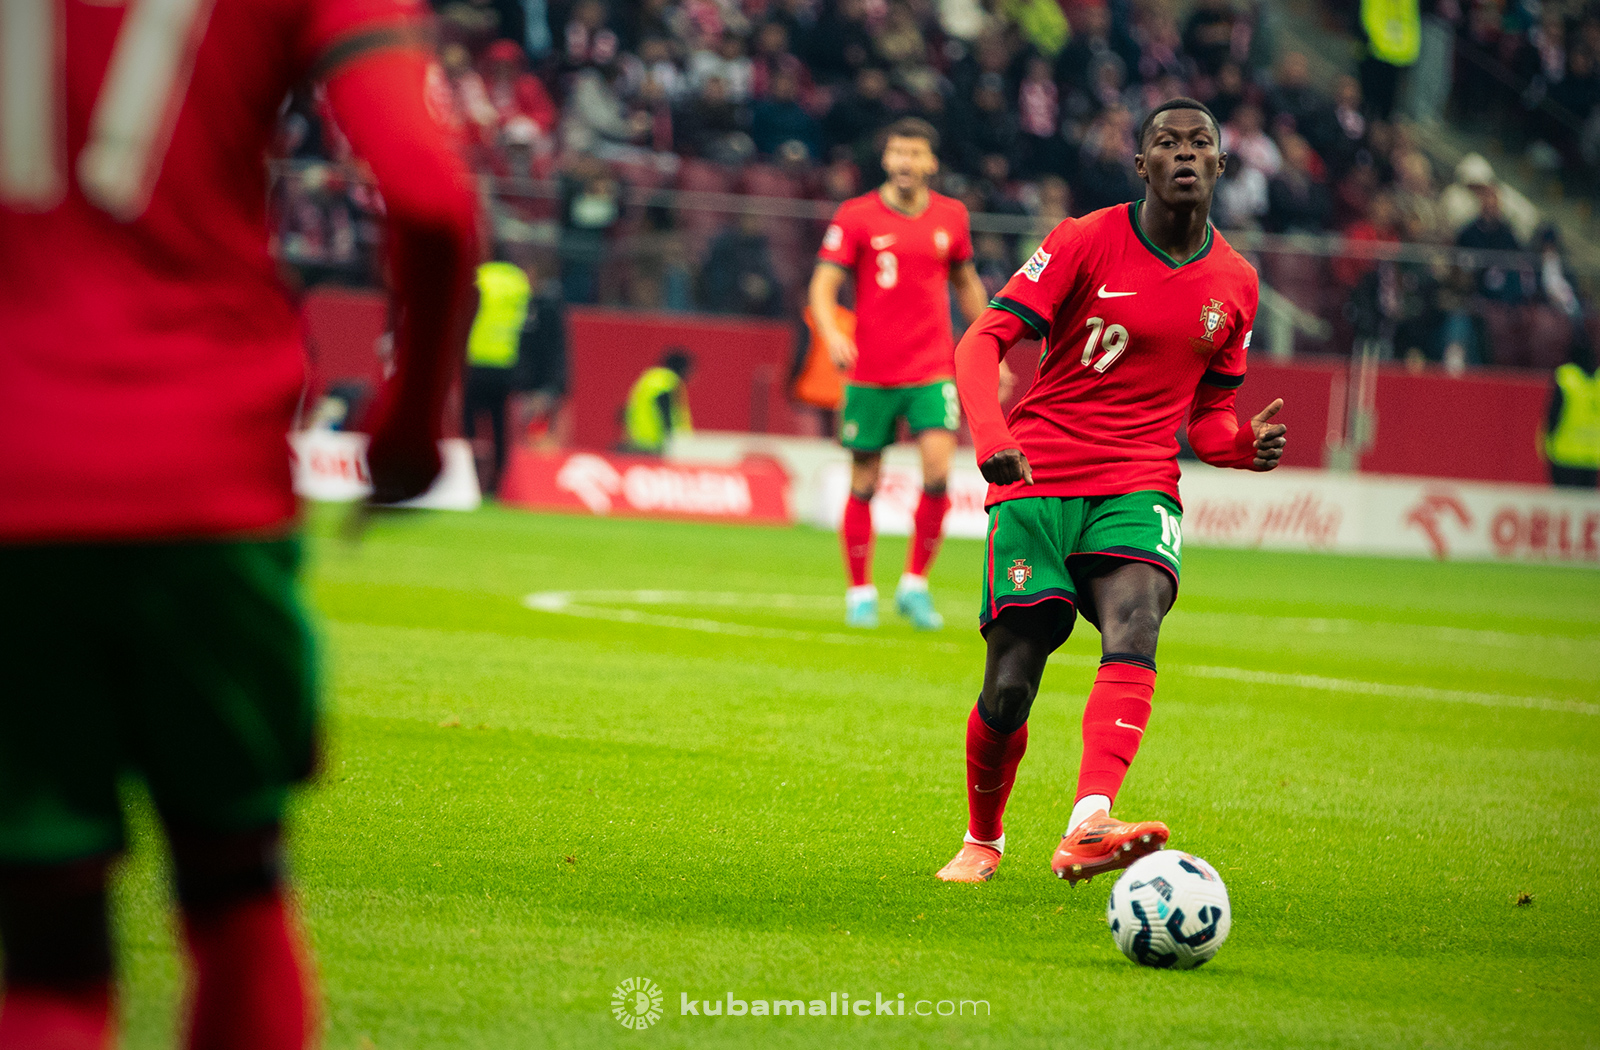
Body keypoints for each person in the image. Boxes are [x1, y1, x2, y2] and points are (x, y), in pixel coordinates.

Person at [0, 2, 479, 1048]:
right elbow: (433, 199)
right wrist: (406, 434)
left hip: (14, 488)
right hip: (202, 478)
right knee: (233, 889)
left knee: (47, 937)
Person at [935, 98, 1288, 885]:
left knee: (1137, 623)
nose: (1186, 153)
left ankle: (1088, 822)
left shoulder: (1235, 281)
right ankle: (983, 837)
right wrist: (993, 439)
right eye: (1167, 142)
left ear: (1222, 167)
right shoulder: (1083, 239)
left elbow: (1209, 420)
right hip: (1039, 474)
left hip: (1138, 481)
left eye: (1202, 143)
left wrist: (1241, 448)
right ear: (1143, 165)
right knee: (1012, 680)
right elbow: (980, 339)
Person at [807, 117, 994, 631]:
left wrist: (986, 348)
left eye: (915, 154)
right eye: (897, 153)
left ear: (931, 163)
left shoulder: (952, 217)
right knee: (864, 480)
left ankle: (914, 584)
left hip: (932, 367)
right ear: (886, 160)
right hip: (870, 371)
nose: (905, 162)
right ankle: (860, 591)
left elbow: (967, 283)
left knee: (937, 471)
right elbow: (823, 286)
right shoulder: (856, 215)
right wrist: (831, 332)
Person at [464, 257, 535, 494]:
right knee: (499, 425)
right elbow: (526, 324)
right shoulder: (519, 283)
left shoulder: (480, 277)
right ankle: (499, 481)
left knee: (469, 422)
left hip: (476, 360)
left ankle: (470, 477)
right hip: (506, 363)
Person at [1545, 342, 1600, 489]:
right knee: (1584, 505)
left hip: (1565, 453)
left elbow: (1554, 413)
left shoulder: (1566, 378)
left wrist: (1547, 438)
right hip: (1592, 454)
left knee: (1564, 503)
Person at [624, 351, 694, 453]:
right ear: (683, 368)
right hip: (658, 444)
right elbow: (665, 410)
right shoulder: (667, 380)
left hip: (640, 440)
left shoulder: (649, 378)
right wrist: (672, 438)